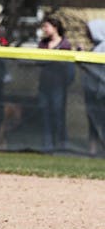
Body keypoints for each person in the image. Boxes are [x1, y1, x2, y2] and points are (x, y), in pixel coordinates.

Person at [36, 16, 74, 152]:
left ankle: (62, 146)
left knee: (58, 116)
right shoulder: (43, 44)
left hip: (58, 87)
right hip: (44, 86)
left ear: (55, 27)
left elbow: (67, 67)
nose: (44, 30)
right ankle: (47, 146)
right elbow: (38, 61)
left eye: (46, 26)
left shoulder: (65, 45)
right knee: (45, 116)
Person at [83, 19, 105, 155]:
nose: (87, 34)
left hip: (102, 93)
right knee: (93, 122)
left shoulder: (102, 48)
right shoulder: (95, 47)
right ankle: (93, 150)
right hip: (92, 92)